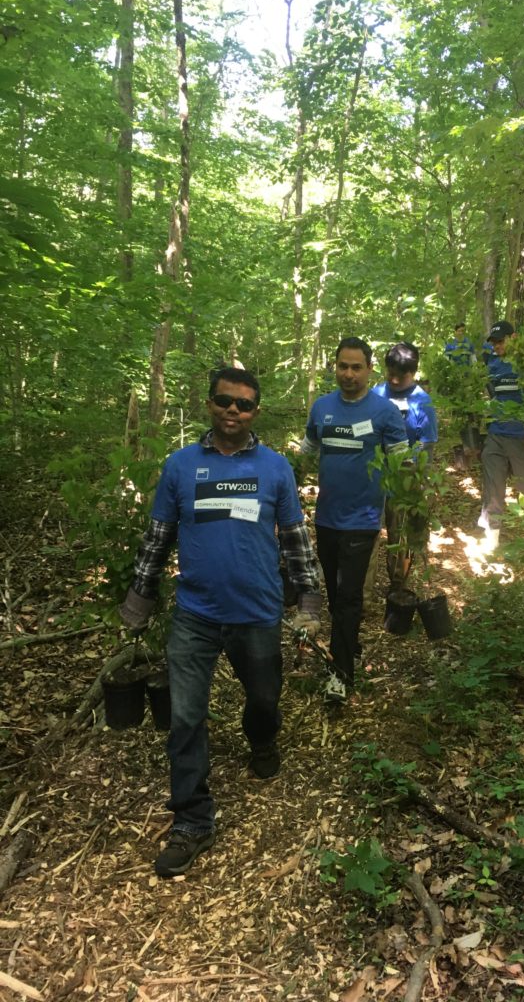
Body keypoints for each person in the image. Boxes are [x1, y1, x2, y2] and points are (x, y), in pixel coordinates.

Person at [119, 366, 322, 877]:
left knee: (263, 700)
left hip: (257, 613)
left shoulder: (276, 468)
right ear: (209, 403)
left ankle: (263, 739)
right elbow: (158, 536)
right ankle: (191, 821)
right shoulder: (181, 466)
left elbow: (296, 539)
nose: (233, 410)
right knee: (186, 717)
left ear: (256, 411)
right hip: (195, 615)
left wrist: (308, 604)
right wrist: (138, 602)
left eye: (245, 404)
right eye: (224, 401)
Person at [301, 337, 409, 703]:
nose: (349, 374)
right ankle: (350, 645)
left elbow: (401, 463)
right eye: (343, 366)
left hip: (362, 519)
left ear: (369, 369)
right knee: (334, 593)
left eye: (356, 367)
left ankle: (340, 674)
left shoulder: (384, 412)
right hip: (327, 517)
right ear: (335, 367)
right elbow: (308, 451)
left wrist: (407, 508)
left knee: (348, 596)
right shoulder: (321, 408)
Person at [370, 342, 438, 588]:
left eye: (402, 376)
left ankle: (400, 586)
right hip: (376, 477)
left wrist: (411, 474)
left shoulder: (422, 402)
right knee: (370, 534)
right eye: (391, 374)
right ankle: (363, 592)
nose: (395, 380)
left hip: (407, 480)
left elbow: (426, 443)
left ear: (414, 372)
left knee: (403, 537)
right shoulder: (376, 395)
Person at [478, 321, 524, 549]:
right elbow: (491, 394)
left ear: (513, 337)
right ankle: (492, 540)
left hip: (522, 437)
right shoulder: (492, 365)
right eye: (494, 342)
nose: (497, 346)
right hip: (496, 435)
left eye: (501, 341)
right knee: (493, 491)